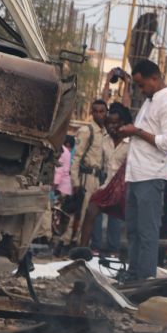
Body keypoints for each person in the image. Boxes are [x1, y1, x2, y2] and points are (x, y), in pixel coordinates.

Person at [119, 60, 167, 280]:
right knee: (134, 231)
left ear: (154, 78)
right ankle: (134, 273)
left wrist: (137, 131)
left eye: (142, 84)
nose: (141, 90)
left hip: (151, 175)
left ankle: (145, 279)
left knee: (147, 232)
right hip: (136, 174)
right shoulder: (150, 100)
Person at [77, 103, 132, 252]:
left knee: (118, 221)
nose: (112, 126)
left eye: (115, 123)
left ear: (123, 123)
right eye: (109, 123)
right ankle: (84, 250)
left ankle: (114, 251)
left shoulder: (131, 143)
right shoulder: (105, 141)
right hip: (108, 185)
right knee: (91, 209)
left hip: (125, 188)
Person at [67, 99, 108, 248]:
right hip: (86, 177)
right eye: (95, 111)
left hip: (98, 179)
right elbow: (76, 157)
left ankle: (80, 245)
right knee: (79, 213)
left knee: (90, 215)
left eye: (102, 111)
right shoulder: (87, 131)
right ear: (91, 113)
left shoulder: (104, 133)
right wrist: (75, 182)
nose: (99, 114)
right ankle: (68, 244)